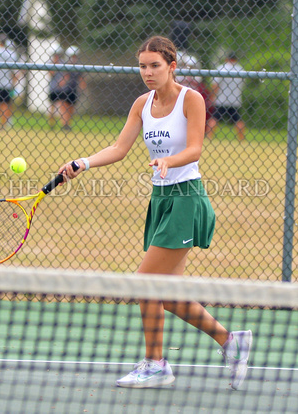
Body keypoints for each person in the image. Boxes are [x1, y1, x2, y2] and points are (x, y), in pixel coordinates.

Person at [59, 36, 252, 390]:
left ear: (172, 67)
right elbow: (119, 147)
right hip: (161, 200)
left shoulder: (190, 99)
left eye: (155, 66)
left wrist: (169, 160)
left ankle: (155, 363)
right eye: (143, 66)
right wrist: (81, 163)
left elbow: (194, 149)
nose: (147, 72)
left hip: (186, 199)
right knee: (167, 293)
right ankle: (231, 341)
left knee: (145, 283)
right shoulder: (141, 104)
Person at [208, 52, 246, 141]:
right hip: (235, 100)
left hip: (221, 99)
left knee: (214, 118)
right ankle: (241, 139)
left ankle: (209, 137)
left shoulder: (222, 68)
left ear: (227, 59)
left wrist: (212, 96)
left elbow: (215, 85)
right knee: (238, 120)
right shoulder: (240, 69)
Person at [55, 45, 86, 131]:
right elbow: (64, 77)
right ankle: (64, 124)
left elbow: (81, 78)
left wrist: (82, 88)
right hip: (65, 89)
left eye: (75, 56)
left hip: (74, 89)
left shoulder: (78, 67)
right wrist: (60, 85)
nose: (73, 58)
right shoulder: (66, 65)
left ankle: (68, 123)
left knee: (71, 107)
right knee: (64, 106)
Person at [48, 46, 65, 128]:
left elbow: (65, 75)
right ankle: (51, 124)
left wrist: (62, 81)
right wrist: (54, 63)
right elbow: (50, 74)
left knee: (61, 105)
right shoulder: (51, 62)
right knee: (52, 107)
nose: (56, 56)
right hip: (52, 87)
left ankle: (63, 124)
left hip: (61, 88)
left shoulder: (63, 63)